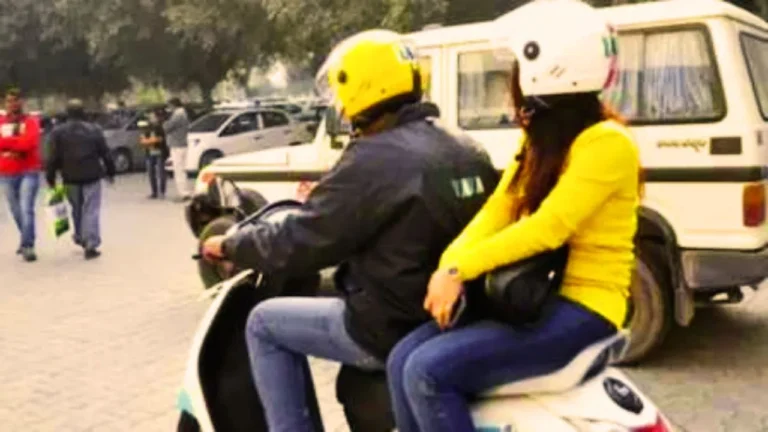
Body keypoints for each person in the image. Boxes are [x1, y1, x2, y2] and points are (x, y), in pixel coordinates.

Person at [200, 30, 499, 432]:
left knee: (263, 323)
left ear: (361, 89)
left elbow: (301, 240)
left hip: (390, 325)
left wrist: (231, 245)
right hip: (453, 316)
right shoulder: (464, 146)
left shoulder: (371, 158)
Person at [385, 1, 643, 431]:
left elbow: (548, 228)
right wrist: (448, 267)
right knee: (400, 360)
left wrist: (460, 269)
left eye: (518, 69)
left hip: (587, 309)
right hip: (537, 300)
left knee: (428, 371)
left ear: (547, 69)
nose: (513, 82)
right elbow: (498, 208)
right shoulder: (541, 140)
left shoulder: (608, 143)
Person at [46, 99, 116, 260]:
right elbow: (105, 153)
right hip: (92, 175)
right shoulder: (94, 130)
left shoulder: (58, 132)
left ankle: (80, 236)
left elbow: (52, 157)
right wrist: (110, 172)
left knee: (76, 209)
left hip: (70, 177)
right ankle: (90, 243)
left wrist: (51, 178)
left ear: (67, 113)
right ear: (83, 112)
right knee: (91, 209)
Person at [0, 88, 42, 262]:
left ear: (21, 102)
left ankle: (28, 245)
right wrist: (17, 143)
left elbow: (30, 142)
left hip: (28, 170)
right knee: (16, 210)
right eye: (9, 101)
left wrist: (8, 144)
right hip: (6, 172)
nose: (12, 104)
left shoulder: (31, 121)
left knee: (26, 208)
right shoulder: (1, 121)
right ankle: (26, 236)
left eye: (15, 100)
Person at [163, 97, 190, 202]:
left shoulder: (178, 115)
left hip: (177, 145)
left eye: (169, 106)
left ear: (173, 105)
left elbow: (166, 127)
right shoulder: (182, 114)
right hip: (181, 144)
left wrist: (165, 121)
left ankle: (183, 193)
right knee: (181, 170)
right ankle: (184, 192)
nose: (168, 108)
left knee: (179, 171)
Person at [139, 107, 169, 199]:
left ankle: (162, 192)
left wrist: (149, 141)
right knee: (151, 173)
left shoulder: (161, 127)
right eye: (150, 117)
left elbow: (160, 139)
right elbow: (142, 139)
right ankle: (154, 192)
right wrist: (149, 141)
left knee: (161, 173)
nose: (151, 118)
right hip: (149, 153)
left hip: (160, 152)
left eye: (152, 116)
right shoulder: (147, 127)